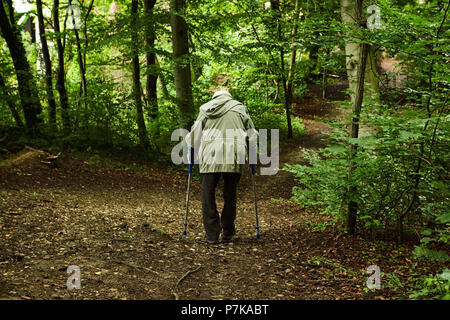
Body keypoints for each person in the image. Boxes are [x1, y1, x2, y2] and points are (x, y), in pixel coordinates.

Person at [185, 89, 258, 244]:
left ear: (215, 97)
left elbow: (193, 137)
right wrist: (252, 158)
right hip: (234, 154)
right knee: (230, 194)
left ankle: (212, 235)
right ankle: (228, 231)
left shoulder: (205, 109)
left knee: (207, 194)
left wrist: (191, 154)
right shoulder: (239, 108)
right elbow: (252, 135)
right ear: (229, 97)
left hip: (210, 154)